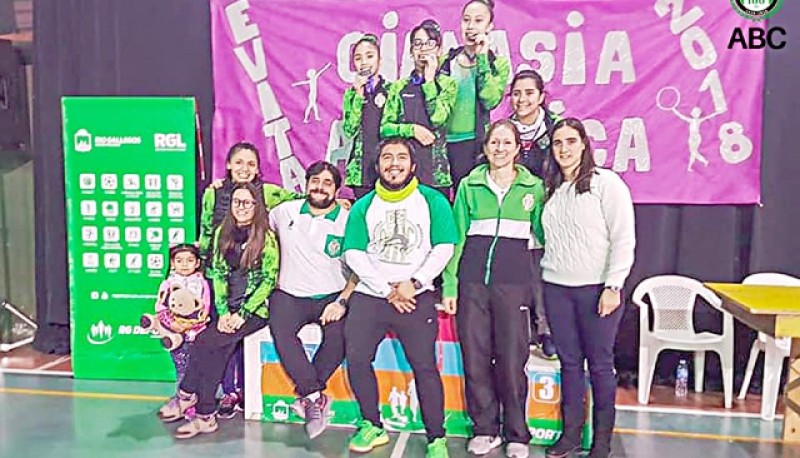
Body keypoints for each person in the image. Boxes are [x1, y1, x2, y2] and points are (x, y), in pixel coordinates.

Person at [342, 138, 457, 457]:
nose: (394, 163)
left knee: (425, 367)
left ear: (413, 164)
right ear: (377, 166)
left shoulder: (433, 200)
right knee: (359, 359)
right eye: (387, 157)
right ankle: (372, 425)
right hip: (371, 295)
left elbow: (444, 246)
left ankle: (436, 438)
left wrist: (415, 281)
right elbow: (353, 252)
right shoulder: (364, 206)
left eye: (401, 157)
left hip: (416, 295)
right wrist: (387, 290)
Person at [442, 120, 545, 458]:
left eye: (506, 142)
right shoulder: (469, 186)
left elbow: (544, 238)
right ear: (485, 148)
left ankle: (517, 433)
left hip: (514, 288)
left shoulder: (535, 188)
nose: (499, 148)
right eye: (493, 143)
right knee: (475, 359)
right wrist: (451, 285)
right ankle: (485, 429)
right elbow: (455, 241)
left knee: (513, 362)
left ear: (517, 148)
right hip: (472, 286)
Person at [540, 119, 635, 458]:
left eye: (570, 141)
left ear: (583, 144)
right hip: (556, 288)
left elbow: (623, 239)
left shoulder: (606, 184)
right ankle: (569, 436)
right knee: (568, 365)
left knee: (599, 365)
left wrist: (613, 285)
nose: (563, 149)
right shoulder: (550, 189)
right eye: (557, 143)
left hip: (596, 290)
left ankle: (602, 443)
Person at [157, 182, 279, 439]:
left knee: (206, 343)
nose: (241, 207)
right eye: (236, 202)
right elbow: (221, 275)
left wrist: (241, 315)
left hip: (255, 309)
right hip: (227, 308)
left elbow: (268, 280)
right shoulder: (224, 231)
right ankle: (204, 414)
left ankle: (188, 396)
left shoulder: (265, 237)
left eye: (247, 202)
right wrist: (223, 313)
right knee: (214, 348)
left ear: (257, 206)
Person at [198, 142, 299, 418]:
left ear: (257, 170)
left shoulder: (268, 193)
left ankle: (245, 389)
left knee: (240, 336)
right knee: (222, 338)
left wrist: (336, 200)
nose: (244, 168)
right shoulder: (214, 193)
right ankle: (228, 392)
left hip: (253, 284)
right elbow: (206, 231)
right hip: (220, 279)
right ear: (229, 164)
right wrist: (202, 270)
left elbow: (301, 200)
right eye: (239, 162)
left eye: (251, 164)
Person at [268, 161, 356, 439]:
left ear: (337, 188)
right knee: (281, 331)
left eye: (327, 182)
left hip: (331, 295)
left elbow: (358, 268)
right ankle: (315, 396)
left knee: (340, 337)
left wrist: (341, 301)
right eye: (314, 180)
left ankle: (305, 395)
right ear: (305, 184)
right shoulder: (284, 212)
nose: (319, 187)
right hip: (289, 294)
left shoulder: (348, 219)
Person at [507, 69, 561, 358]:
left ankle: (546, 331)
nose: (522, 99)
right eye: (516, 93)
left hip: (546, 216)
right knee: (515, 278)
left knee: (543, 277)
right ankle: (521, 332)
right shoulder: (504, 132)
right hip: (512, 218)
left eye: (529, 93)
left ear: (541, 97)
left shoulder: (554, 132)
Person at [440, 0, 511, 189]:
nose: (471, 26)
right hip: (443, 146)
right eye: (466, 20)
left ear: (489, 27)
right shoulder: (446, 61)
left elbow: (490, 100)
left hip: (476, 145)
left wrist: (482, 58)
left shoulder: (498, 64)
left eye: (478, 21)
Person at [380, 19, 457, 193]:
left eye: (429, 44)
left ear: (438, 50)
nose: (423, 49)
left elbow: (438, 118)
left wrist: (429, 81)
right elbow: (385, 128)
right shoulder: (399, 86)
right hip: (404, 172)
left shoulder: (448, 84)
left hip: (437, 174)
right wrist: (412, 130)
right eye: (418, 44)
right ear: (411, 51)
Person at [147, 244, 211, 396]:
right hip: (175, 333)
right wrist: (173, 325)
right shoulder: (168, 284)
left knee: (200, 369)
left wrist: (193, 326)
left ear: (197, 263)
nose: (184, 265)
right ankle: (184, 401)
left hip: (197, 333)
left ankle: (201, 400)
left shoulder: (202, 283)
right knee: (182, 369)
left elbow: (205, 306)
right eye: (179, 260)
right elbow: (161, 307)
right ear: (172, 263)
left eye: (189, 260)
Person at [343, 34, 389, 198]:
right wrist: (358, 95)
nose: (364, 62)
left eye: (369, 56)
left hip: (387, 165)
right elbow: (349, 129)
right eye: (358, 58)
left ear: (379, 59)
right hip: (361, 168)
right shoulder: (351, 94)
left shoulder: (392, 90)